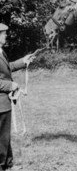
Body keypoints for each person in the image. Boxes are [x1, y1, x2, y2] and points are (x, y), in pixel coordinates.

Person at [0, 23, 35, 170]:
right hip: (0, 102)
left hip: (4, 102)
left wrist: (23, 61)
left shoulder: (1, 52)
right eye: (3, 33)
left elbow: (8, 67)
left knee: (4, 135)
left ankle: (8, 164)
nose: (6, 35)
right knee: (1, 137)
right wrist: (10, 86)